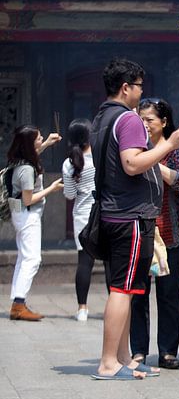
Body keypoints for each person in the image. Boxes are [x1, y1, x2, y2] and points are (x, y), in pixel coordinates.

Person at [90, 58, 179, 380]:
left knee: (129, 288)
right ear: (126, 88)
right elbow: (132, 164)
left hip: (114, 213)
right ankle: (109, 362)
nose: (140, 92)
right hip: (129, 216)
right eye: (139, 87)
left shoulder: (102, 118)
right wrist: (170, 145)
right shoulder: (128, 120)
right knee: (122, 289)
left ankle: (123, 358)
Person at [131, 98, 179, 370]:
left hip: (170, 231)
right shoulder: (134, 148)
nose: (144, 125)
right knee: (138, 293)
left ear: (164, 122)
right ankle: (138, 351)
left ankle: (167, 351)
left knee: (168, 294)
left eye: (149, 120)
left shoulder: (176, 150)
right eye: (141, 119)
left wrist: (154, 160)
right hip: (141, 230)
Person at [5, 125, 62, 321]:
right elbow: (29, 199)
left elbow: (34, 153)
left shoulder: (18, 160)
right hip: (28, 215)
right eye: (39, 138)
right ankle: (19, 305)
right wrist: (51, 188)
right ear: (29, 143)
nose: (41, 139)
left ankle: (17, 301)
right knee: (32, 259)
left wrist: (46, 144)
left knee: (24, 257)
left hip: (19, 213)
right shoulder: (27, 170)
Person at [62, 118, 96, 321]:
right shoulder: (100, 158)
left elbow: (70, 194)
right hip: (103, 214)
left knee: (84, 262)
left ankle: (82, 308)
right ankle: (114, 305)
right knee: (109, 262)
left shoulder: (69, 163)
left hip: (82, 216)